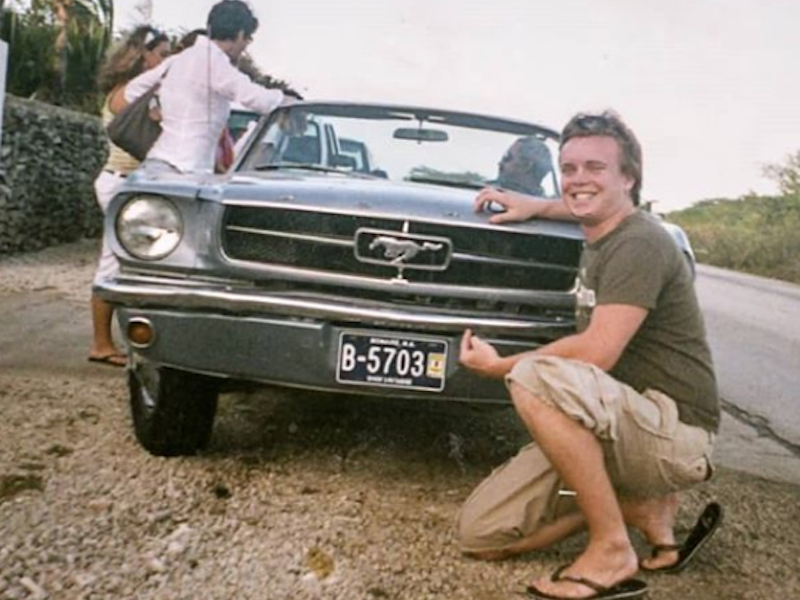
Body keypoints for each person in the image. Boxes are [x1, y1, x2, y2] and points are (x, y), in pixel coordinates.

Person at [458, 111, 721, 600]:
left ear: (629, 177)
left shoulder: (639, 243)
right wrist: (536, 205)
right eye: (570, 168)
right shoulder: (603, 226)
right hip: (618, 426)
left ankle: (610, 548)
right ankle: (637, 507)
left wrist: (498, 367)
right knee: (482, 536)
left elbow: (597, 352)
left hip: (674, 433)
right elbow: (583, 204)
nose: (578, 180)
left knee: (536, 374)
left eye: (595, 168)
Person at [124, 0, 291, 175]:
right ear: (240, 33)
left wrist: (157, 107)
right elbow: (257, 99)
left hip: (156, 163)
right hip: (185, 171)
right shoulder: (215, 63)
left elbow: (132, 91)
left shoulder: (179, 59)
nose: (245, 47)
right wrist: (287, 100)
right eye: (247, 39)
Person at [89, 26, 171, 367]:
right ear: (144, 56)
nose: (167, 61)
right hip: (121, 182)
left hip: (126, 184)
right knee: (113, 263)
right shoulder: (127, 94)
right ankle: (102, 344)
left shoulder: (131, 92)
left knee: (123, 261)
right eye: (162, 55)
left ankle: (112, 341)